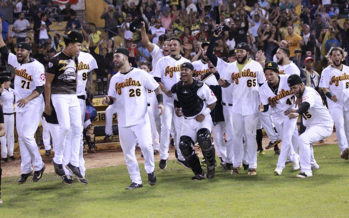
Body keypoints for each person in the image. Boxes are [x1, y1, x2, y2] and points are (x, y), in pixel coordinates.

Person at [103, 48, 164, 190]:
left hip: (140, 119)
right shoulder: (114, 78)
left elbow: (156, 88)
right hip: (123, 121)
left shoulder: (140, 74)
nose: (115, 59)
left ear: (126, 57)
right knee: (128, 152)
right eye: (114, 57)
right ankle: (136, 180)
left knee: (147, 147)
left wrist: (160, 103)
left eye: (117, 56)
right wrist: (108, 100)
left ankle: (150, 170)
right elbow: (112, 98)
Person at [209, 38, 266, 176]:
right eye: (237, 51)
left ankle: (252, 165)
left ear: (247, 52)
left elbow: (263, 85)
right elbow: (227, 83)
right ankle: (236, 164)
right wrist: (222, 83)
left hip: (251, 106)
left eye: (241, 51)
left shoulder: (256, 66)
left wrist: (263, 101)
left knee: (250, 136)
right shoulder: (231, 66)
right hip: (236, 106)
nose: (239, 54)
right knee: (236, 136)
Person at [0, 18, 46, 184]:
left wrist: (27, 99)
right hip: (20, 104)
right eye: (18, 49)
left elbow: (40, 88)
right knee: (23, 137)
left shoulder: (37, 66)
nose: (18, 51)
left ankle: (39, 165)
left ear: (29, 52)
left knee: (27, 135)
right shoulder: (16, 62)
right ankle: (26, 169)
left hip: (33, 103)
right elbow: (4, 50)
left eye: (22, 50)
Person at [44, 31, 84, 181]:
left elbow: (75, 78)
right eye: (78, 45)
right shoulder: (54, 60)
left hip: (72, 96)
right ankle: (58, 159)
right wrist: (47, 104)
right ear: (71, 45)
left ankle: (73, 162)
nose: (80, 48)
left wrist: (75, 92)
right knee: (66, 127)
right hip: (59, 95)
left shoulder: (76, 59)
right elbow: (47, 83)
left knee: (78, 129)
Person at [169, 62, 217, 179]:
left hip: (202, 119)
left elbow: (213, 102)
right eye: (182, 70)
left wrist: (204, 114)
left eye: (186, 69)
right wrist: (177, 108)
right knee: (184, 145)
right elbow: (177, 100)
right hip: (187, 120)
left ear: (192, 72)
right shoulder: (177, 87)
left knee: (204, 138)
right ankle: (198, 172)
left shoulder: (201, 86)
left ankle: (211, 167)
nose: (183, 72)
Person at [285, 74, 334, 178]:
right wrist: (294, 110)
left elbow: (306, 105)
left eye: (295, 87)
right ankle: (312, 164)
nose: (294, 90)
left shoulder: (309, 92)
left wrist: (297, 112)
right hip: (313, 125)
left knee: (303, 139)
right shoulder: (299, 95)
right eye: (291, 88)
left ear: (302, 85)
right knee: (306, 141)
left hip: (323, 125)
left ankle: (306, 171)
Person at [62, 49, 98, 184]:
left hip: (81, 99)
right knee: (68, 134)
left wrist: (90, 91)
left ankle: (79, 169)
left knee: (78, 133)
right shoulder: (60, 58)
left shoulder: (88, 57)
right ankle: (67, 171)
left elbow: (89, 75)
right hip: (66, 98)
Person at [153, 37, 190, 169]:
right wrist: (166, 91)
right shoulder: (162, 61)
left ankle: (180, 156)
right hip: (167, 100)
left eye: (175, 44)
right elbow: (157, 79)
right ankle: (163, 156)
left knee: (180, 129)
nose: (172, 47)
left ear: (180, 47)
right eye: (171, 45)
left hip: (180, 101)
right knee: (166, 127)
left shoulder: (186, 62)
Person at [259, 62, 300, 176]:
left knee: (287, 137)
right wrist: (265, 105)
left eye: (271, 74)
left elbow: (300, 90)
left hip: (290, 112)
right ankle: (295, 157)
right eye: (266, 74)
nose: (268, 77)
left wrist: (296, 102)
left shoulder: (287, 79)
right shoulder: (263, 88)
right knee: (284, 137)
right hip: (276, 115)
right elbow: (266, 106)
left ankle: (281, 165)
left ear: (277, 73)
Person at [319, 47, 349, 160]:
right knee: (340, 125)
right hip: (335, 103)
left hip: (347, 102)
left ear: (342, 56)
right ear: (330, 57)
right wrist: (331, 96)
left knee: (348, 127)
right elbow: (324, 88)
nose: (336, 57)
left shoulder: (347, 69)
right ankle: (344, 149)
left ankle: (348, 150)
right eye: (334, 55)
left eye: (338, 55)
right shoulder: (326, 71)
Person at [0, 77, 15, 161]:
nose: (9, 82)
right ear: (4, 83)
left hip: (11, 113)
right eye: (7, 81)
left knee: (11, 134)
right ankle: (4, 155)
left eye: (9, 81)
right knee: (3, 134)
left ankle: (11, 153)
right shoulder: (1, 91)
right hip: (3, 114)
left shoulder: (12, 90)